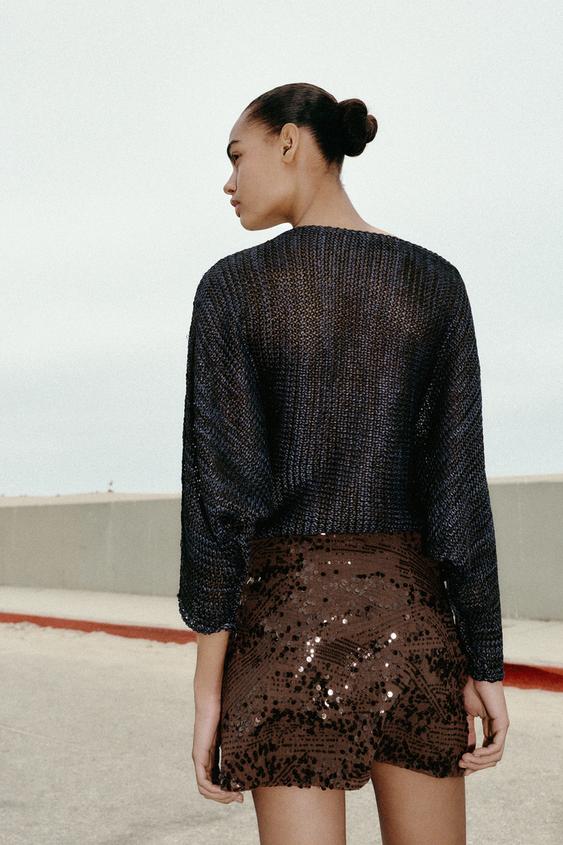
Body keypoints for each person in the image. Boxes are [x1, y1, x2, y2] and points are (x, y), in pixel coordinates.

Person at [178, 82, 510, 845]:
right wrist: (484, 661)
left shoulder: (231, 290)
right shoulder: (434, 283)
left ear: (289, 142)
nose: (228, 182)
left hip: (281, 637)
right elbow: (457, 495)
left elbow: (220, 508)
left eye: (236, 156)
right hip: (413, 633)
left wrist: (208, 693)